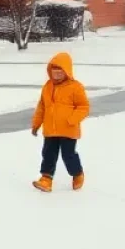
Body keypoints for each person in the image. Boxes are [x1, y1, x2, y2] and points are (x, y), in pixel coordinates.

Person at [31, 52, 90, 192]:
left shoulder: (75, 87)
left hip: (68, 130)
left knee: (68, 155)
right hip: (50, 129)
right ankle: (46, 179)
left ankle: (77, 174)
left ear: (67, 71)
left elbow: (84, 107)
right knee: (48, 154)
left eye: (60, 72)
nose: (56, 75)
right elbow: (42, 106)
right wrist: (36, 124)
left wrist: (72, 119)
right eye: (54, 72)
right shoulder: (47, 86)